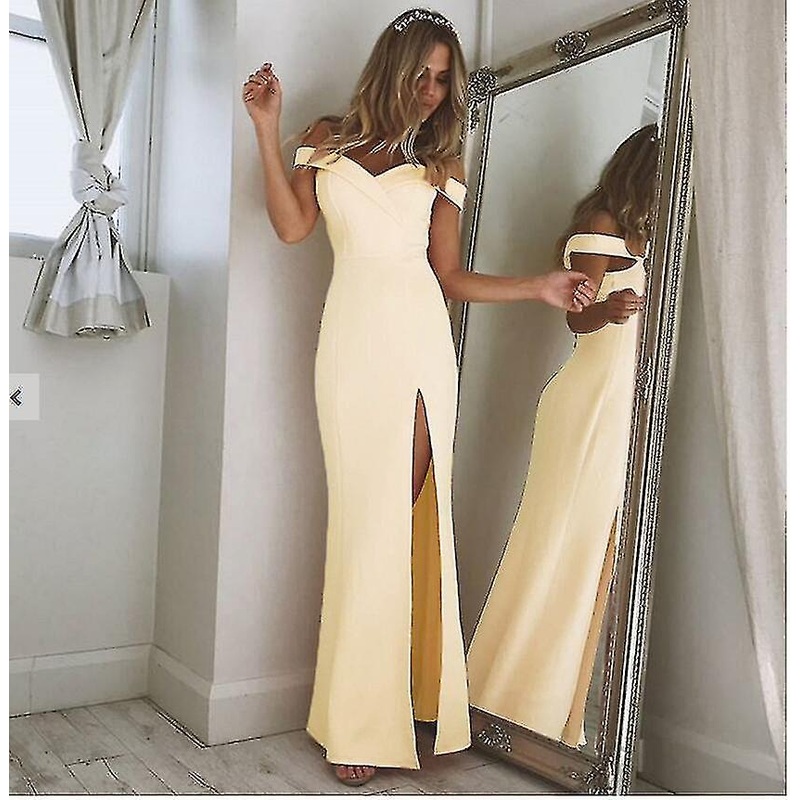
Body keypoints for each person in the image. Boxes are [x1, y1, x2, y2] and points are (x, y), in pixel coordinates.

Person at [242, 8, 596, 785]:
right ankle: (361, 714)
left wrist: (539, 286)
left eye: (443, 80)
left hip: (418, 347)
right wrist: (267, 130)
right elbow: (292, 227)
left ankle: (380, 717)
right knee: (360, 524)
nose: (432, 91)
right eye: (423, 74)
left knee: (394, 523)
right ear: (392, 67)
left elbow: (450, 277)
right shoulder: (327, 137)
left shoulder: (443, 164)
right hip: (348, 346)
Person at [466, 124, 658, 748]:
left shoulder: (652, 239)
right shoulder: (600, 227)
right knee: (551, 544)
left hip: (621, 412)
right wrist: (608, 309)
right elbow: (577, 315)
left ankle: (551, 713)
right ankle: (499, 699)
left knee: (586, 557)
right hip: (586, 406)